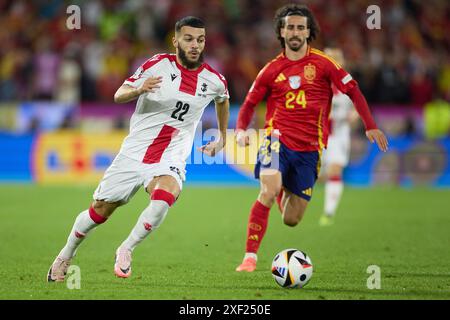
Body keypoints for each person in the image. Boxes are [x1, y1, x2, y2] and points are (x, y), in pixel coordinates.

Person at [47, 16, 230, 281]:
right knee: (100, 210)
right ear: (175, 40)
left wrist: (222, 136)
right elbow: (118, 94)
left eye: (200, 40)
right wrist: (139, 89)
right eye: (188, 39)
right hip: (134, 153)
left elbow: (223, 100)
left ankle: (126, 248)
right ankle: (65, 255)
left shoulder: (213, 80)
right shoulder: (157, 65)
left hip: (171, 154)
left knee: (166, 193)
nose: (194, 45)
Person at [234, 4, 388, 272]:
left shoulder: (324, 64)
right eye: (290, 27)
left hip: (310, 150)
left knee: (292, 219)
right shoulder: (270, 70)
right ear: (281, 31)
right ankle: (250, 256)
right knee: (267, 190)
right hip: (276, 140)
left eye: (300, 27)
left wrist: (370, 125)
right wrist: (240, 130)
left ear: (309, 32)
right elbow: (248, 104)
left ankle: (284, 191)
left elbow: (354, 91)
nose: (295, 31)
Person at [319, 48, 359, 226]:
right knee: (317, 176)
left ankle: (328, 213)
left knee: (335, 170)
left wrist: (354, 117)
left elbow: (357, 109)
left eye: (337, 60)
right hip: (316, 136)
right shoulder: (315, 85)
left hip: (338, 137)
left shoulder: (348, 86)